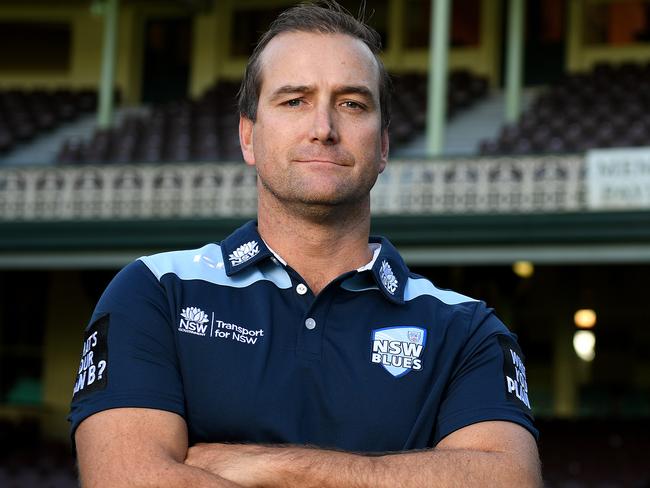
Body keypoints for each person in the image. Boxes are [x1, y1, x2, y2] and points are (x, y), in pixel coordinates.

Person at [69, 1, 541, 486]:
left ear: (382, 147)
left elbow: (509, 479)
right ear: (248, 138)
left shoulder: (466, 328)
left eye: (352, 104)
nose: (323, 130)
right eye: (294, 100)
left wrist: (262, 466)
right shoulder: (156, 292)